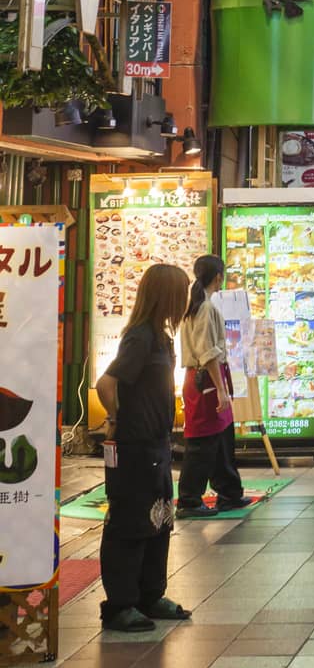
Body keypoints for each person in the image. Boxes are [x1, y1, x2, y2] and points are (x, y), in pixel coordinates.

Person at [96, 263, 192, 633]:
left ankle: (150, 595)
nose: (185, 300)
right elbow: (108, 384)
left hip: (156, 446)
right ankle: (120, 604)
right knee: (129, 523)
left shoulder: (162, 336)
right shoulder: (139, 337)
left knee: (159, 519)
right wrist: (117, 421)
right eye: (181, 293)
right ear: (166, 295)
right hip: (135, 447)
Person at [177, 255, 245, 519]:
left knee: (221, 436)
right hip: (205, 378)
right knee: (203, 440)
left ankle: (229, 492)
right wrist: (220, 389)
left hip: (205, 377)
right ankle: (189, 499)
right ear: (218, 276)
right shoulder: (203, 307)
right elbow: (207, 352)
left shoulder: (198, 304)